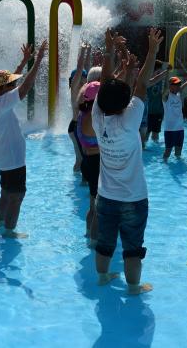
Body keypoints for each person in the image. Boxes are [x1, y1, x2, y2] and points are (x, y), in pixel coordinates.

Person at [91, 27, 162, 295]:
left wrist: (109, 50)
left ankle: (102, 277)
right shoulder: (130, 122)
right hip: (133, 197)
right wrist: (153, 50)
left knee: (105, 243)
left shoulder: (98, 119)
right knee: (133, 247)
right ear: (125, 102)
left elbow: (106, 83)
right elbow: (142, 84)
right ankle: (133, 288)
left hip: (106, 196)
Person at [0, 40, 47, 238]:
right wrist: (37, 61)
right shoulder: (3, 102)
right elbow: (24, 87)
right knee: (17, 196)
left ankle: (0, 224)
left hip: (2, 156)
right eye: (10, 84)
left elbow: (11, 84)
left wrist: (23, 62)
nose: (13, 85)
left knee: (5, 192)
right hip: (12, 159)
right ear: (4, 89)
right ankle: (9, 232)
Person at [76, 81, 101, 247]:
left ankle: (88, 234)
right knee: (98, 208)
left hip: (88, 161)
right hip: (96, 163)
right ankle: (93, 242)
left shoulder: (82, 113)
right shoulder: (93, 117)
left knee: (92, 205)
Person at [162, 70, 187, 161]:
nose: (178, 86)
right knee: (167, 152)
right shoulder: (166, 97)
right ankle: (164, 165)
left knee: (178, 153)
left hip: (180, 129)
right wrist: (167, 73)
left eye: (179, 84)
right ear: (170, 86)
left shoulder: (178, 94)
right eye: (176, 84)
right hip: (169, 129)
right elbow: (165, 88)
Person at [68, 44, 90, 177]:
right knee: (81, 158)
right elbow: (81, 68)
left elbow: (86, 68)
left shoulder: (84, 88)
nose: (84, 79)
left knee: (81, 157)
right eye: (82, 77)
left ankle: (77, 178)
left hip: (77, 126)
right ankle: (79, 181)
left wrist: (88, 52)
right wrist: (82, 51)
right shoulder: (75, 88)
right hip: (75, 126)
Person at [146, 68, 166, 143]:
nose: (158, 73)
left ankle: (155, 147)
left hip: (158, 112)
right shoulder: (148, 81)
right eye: (157, 72)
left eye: (159, 72)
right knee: (146, 133)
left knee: (156, 134)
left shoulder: (161, 82)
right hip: (149, 112)